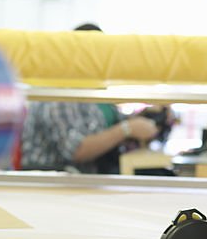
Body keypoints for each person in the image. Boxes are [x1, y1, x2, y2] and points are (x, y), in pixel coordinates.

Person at [20, 23, 159, 173]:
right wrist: (127, 129)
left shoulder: (91, 90)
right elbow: (76, 150)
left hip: (85, 179)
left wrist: (146, 117)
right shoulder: (59, 92)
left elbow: (113, 122)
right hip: (55, 181)